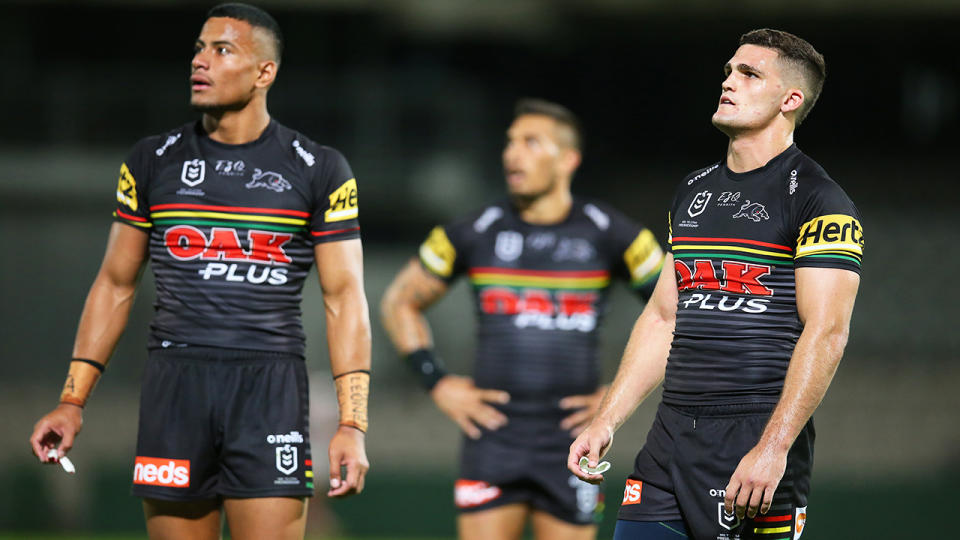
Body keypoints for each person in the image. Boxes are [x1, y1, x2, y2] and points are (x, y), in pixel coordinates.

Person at [28, 4, 371, 539]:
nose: (200, 61)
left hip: (269, 387)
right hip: (175, 387)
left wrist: (353, 424)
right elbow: (115, 285)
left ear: (265, 72)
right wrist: (72, 401)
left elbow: (345, 297)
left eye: (222, 49)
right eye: (198, 48)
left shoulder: (319, 168)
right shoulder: (151, 161)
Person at [568, 29, 864, 540]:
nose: (729, 82)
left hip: (752, 443)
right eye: (729, 71)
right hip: (669, 442)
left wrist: (773, 449)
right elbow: (664, 316)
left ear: (790, 99)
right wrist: (605, 421)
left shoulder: (819, 199)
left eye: (750, 74)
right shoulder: (692, 191)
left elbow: (828, 331)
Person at [381, 98, 665, 540]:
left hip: (574, 443)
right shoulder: (476, 230)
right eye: (510, 142)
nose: (512, 153)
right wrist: (437, 381)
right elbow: (398, 301)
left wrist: (617, 396)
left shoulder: (611, 232)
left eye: (531, 142)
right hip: (493, 439)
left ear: (568, 159)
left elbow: (685, 311)